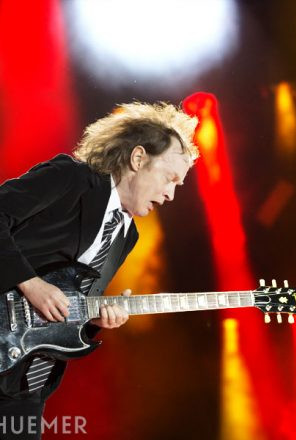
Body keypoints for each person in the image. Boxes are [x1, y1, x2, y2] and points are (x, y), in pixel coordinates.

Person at [0, 101, 199, 439]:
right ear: (138, 159)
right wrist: (29, 282)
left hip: (28, 382)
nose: (170, 194)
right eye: (170, 178)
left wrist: (92, 320)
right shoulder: (72, 178)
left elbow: (68, 300)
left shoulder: (127, 235)